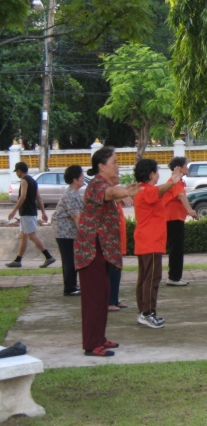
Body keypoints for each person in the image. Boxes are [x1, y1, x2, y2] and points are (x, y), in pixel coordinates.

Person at [74, 147, 139, 356]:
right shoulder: (96, 185)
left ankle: (99, 338)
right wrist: (127, 192)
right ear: (101, 166)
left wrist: (126, 191)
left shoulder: (104, 184)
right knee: (94, 297)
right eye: (115, 162)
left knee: (102, 295)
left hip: (100, 249)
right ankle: (92, 345)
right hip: (91, 249)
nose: (118, 165)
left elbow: (114, 190)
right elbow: (111, 193)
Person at [133, 158, 181, 328]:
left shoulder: (140, 189)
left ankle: (143, 312)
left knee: (145, 278)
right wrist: (173, 182)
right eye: (157, 172)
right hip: (151, 241)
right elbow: (160, 190)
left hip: (146, 241)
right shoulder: (146, 190)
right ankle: (148, 313)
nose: (158, 175)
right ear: (151, 174)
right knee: (152, 278)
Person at [6, 162, 55, 268]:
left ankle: (49, 257)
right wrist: (43, 213)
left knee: (31, 236)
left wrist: (14, 211)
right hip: (31, 211)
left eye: (17, 172)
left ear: (19, 171)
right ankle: (18, 260)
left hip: (27, 212)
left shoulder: (24, 181)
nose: (17, 174)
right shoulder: (33, 181)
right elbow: (39, 198)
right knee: (24, 236)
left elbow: (22, 197)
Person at [162, 157, 198, 287]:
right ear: (179, 167)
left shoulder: (177, 181)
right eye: (186, 166)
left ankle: (175, 277)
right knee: (176, 249)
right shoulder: (175, 181)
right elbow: (181, 196)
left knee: (176, 248)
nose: (187, 168)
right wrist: (190, 211)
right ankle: (174, 278)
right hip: (173, 218)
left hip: (176, 218)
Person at [51, 165, 83, 296]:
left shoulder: (74, 193)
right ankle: (69, 288)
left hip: (68, 232)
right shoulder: (70, 195)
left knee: (72, 259)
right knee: (69, 259)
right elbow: (76, 217)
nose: (83, 178)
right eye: (81, 176)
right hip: (65, 233)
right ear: (75, 179)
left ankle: (72, 285)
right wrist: (83, 234)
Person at [108, 174, 131, 312]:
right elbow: (114, 195)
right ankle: (109, 301)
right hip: (111, 239)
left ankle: (114, 299)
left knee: (117, 270)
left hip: (118, 238)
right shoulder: (108, 193)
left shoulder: (115, 193)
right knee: (111, 270)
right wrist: (123, 195)